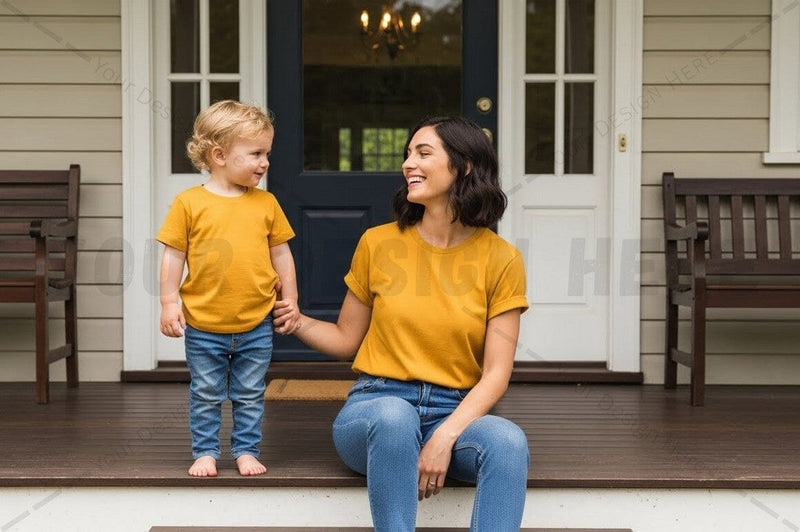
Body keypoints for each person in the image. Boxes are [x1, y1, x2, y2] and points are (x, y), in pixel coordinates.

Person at [273, 116, 530, 531]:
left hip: (455, 410)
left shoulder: (501, 259)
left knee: (507, 441)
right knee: (395, 416)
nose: (409, 163)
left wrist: (445, 437)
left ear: (463, 166)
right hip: (376, 407)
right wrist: (296, 320)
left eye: (423, 153)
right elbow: (345, 340)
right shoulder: (378, 243)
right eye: (407, 154)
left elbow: (497, 374)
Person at [157, 100, 299, 478]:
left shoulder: (266, 203)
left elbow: (282, 255)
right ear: (219, 155)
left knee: (250, 393)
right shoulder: (189, 203)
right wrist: (169, 303)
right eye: (255, 153)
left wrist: (292, 300)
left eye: (267, 153)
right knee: (205, 393)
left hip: (256, 324)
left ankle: (246, 450)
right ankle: (205, 451)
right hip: (204, 325)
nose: (265, 162)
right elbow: (174, 257)